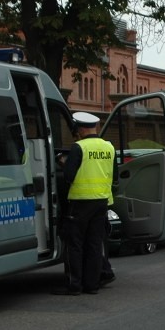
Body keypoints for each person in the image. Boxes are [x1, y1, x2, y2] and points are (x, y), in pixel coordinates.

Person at [52, 111, 116, 295]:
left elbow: (69, 176)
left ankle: (74, 285)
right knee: (95, 244)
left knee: (75, 244)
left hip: (80, 203)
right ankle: (92, 285)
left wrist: (64, 163)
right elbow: (114, 175)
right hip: (102, 202)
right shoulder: (108, 147)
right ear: (95, 127)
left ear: (81, 129)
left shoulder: (79, 148)